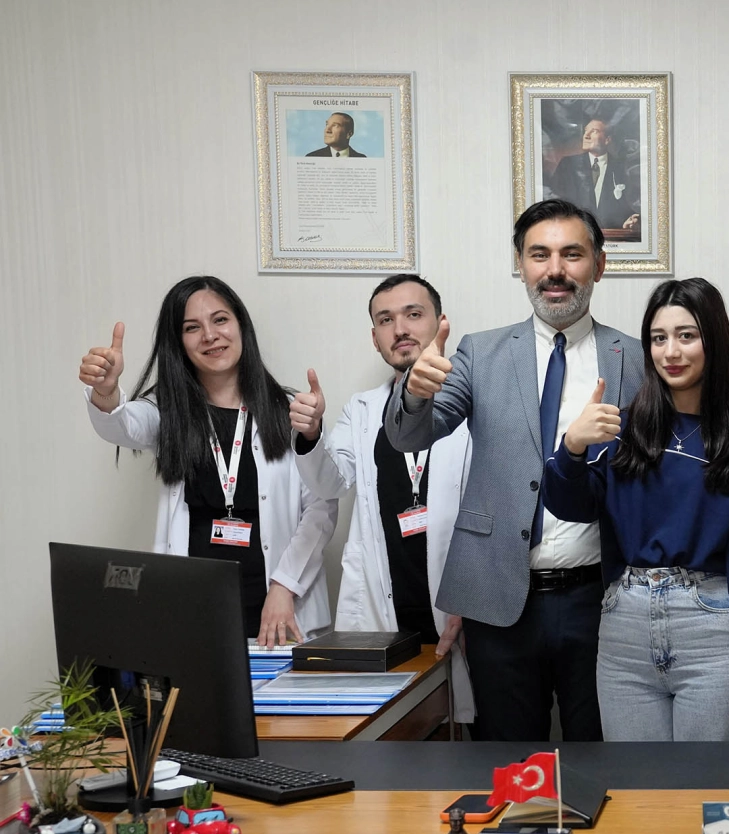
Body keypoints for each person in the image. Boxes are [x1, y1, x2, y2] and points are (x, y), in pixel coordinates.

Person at [384, 200, 644, 741]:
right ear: (521, 264)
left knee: (601, 759)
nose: (555, 270)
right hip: (498, 598)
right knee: (507, 763)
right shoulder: (479, 353)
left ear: (599, 265)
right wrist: (414, 390)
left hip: (600, 600)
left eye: (572, 254)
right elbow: (410, 437)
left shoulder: (636, 359)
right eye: (539, 255)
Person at [544, 277, 729, 741]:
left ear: (713, 340)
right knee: (635, 783)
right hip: (624, 631)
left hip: (712, 631)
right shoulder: (619, 429)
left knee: (707, 784)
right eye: (658, 338)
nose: (671, 351)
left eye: (686, 335)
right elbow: (570, 506)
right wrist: (571, 447)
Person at [79, 276, 337, 644]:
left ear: (240, 325)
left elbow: (322, 506)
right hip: (194, 611)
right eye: (192, 327)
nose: (210, 336)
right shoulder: (168, 412)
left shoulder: (289, 410)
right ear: (178, 341)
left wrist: (284, 587)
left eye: (220, 320)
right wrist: (105, 392)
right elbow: (122, 425)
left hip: (279, 609)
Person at [289, 273, 474, 726]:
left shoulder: (474, 401)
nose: (401, 329)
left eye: (413, 314)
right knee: (393, 734)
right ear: (375, 339)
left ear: (440, 323)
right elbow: (332, 484)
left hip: (457, 601)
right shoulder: (363, 409)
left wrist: (474, 599)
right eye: (386, 320)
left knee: (471, 733)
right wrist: (310, 434)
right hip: (383, 602)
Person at [548, 119, 640, 237]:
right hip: (576, 234)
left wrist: (630, 220)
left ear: (607, 140)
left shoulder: (621, 168)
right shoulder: (568, 164)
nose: (586, 135)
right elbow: (555, 200)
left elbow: (631, 204)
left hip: (614, 236)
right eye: (586, 131)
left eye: (594, 131)